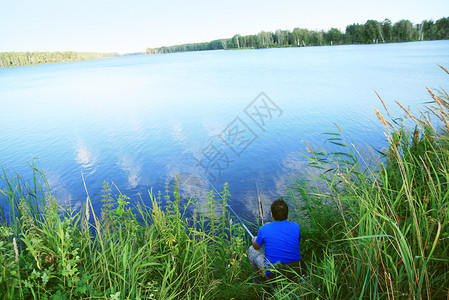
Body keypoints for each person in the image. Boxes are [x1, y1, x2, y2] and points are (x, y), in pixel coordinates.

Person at [248, 198, 301, 281]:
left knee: (251, 250)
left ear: (272, 214)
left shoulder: (264, 229)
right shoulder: (296, 227)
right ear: (287, 213)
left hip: (274, 273)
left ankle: (258, 281)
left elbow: (256, 247)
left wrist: (254, 239)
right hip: (296, 270)